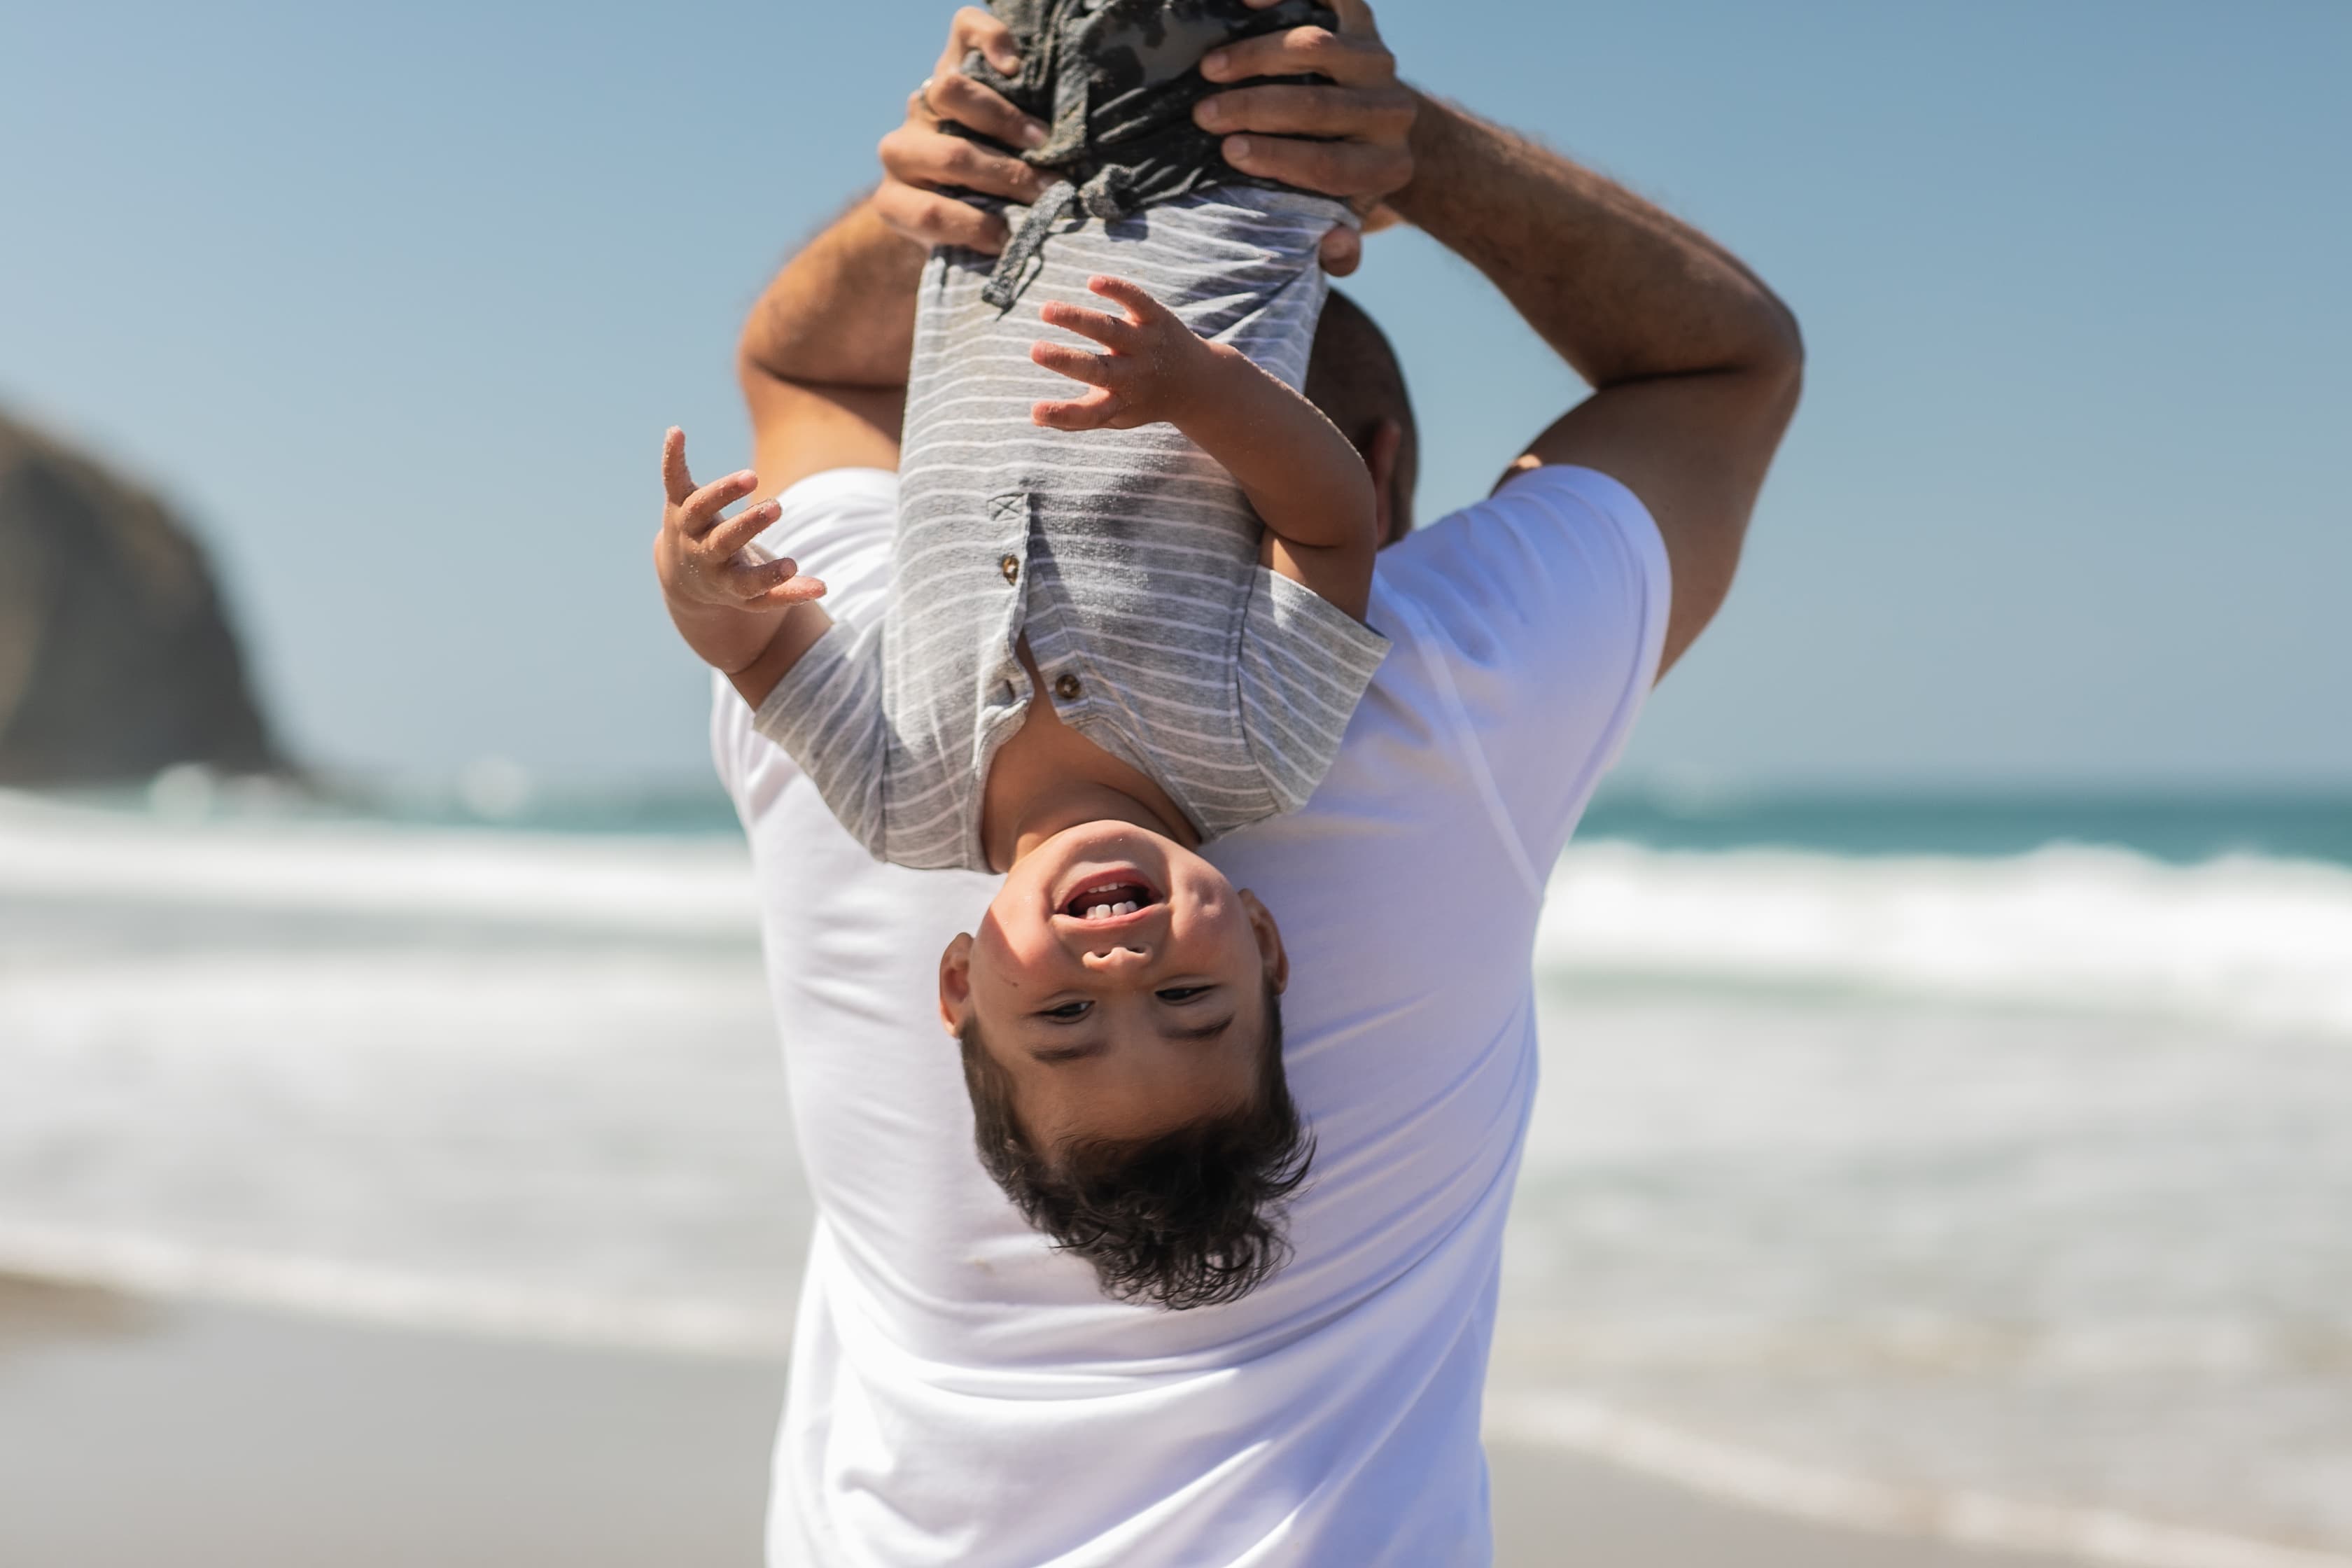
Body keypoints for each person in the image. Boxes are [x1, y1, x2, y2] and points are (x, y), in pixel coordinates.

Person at [698, 4, 1801, 1562]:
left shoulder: (858, 719)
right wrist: (1417, 163)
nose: (1118, 969)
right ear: (1382, 456)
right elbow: (1723, 364)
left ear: (967, 991)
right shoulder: (1437, 691)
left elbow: (801, 368)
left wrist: (954, 189)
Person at [659, 1, 1393, 1311]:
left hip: (999, 222)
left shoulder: (896, 797)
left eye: (1064, 1023)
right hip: (1227, 178)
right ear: (1265, 947)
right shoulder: (1259, 753)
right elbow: (1335, 531)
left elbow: (766, 660)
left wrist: (703, 590)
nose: (1122, 974)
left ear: (960, 983)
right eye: (1192, 1002)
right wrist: (1197, 391)